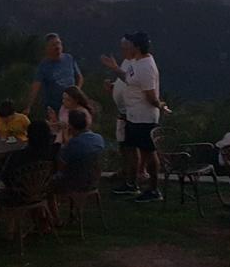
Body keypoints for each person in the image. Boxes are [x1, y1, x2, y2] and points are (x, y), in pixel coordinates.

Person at [101, 32, 161, 203]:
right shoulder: (136, 62)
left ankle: (154, 189)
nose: (128, 48)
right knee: (131, 148)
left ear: (137, 47)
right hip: (132, 115)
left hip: (144, 117)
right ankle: (131, 183)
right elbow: (128, 79)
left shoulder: (147, 66)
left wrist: (160, 105)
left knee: (148, 152)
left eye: (131, 45)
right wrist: (114, 70)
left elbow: (150, 95)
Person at [26, 33, 82, 116]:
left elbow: (79, 77)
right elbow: (36, 87)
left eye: (58, 43)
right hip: (54, 108)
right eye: (53, 45)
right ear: (47, 48)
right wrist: (28, 106)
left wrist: (77, 92)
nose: (57, 47)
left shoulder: (69, 58)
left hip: (72, 106)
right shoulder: (43, 66)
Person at [55, 109, 106, 196]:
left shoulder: (74, 143)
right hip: (93, 180)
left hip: (74, 183)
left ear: (70, 126)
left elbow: (60, 165)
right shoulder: (98, 138)